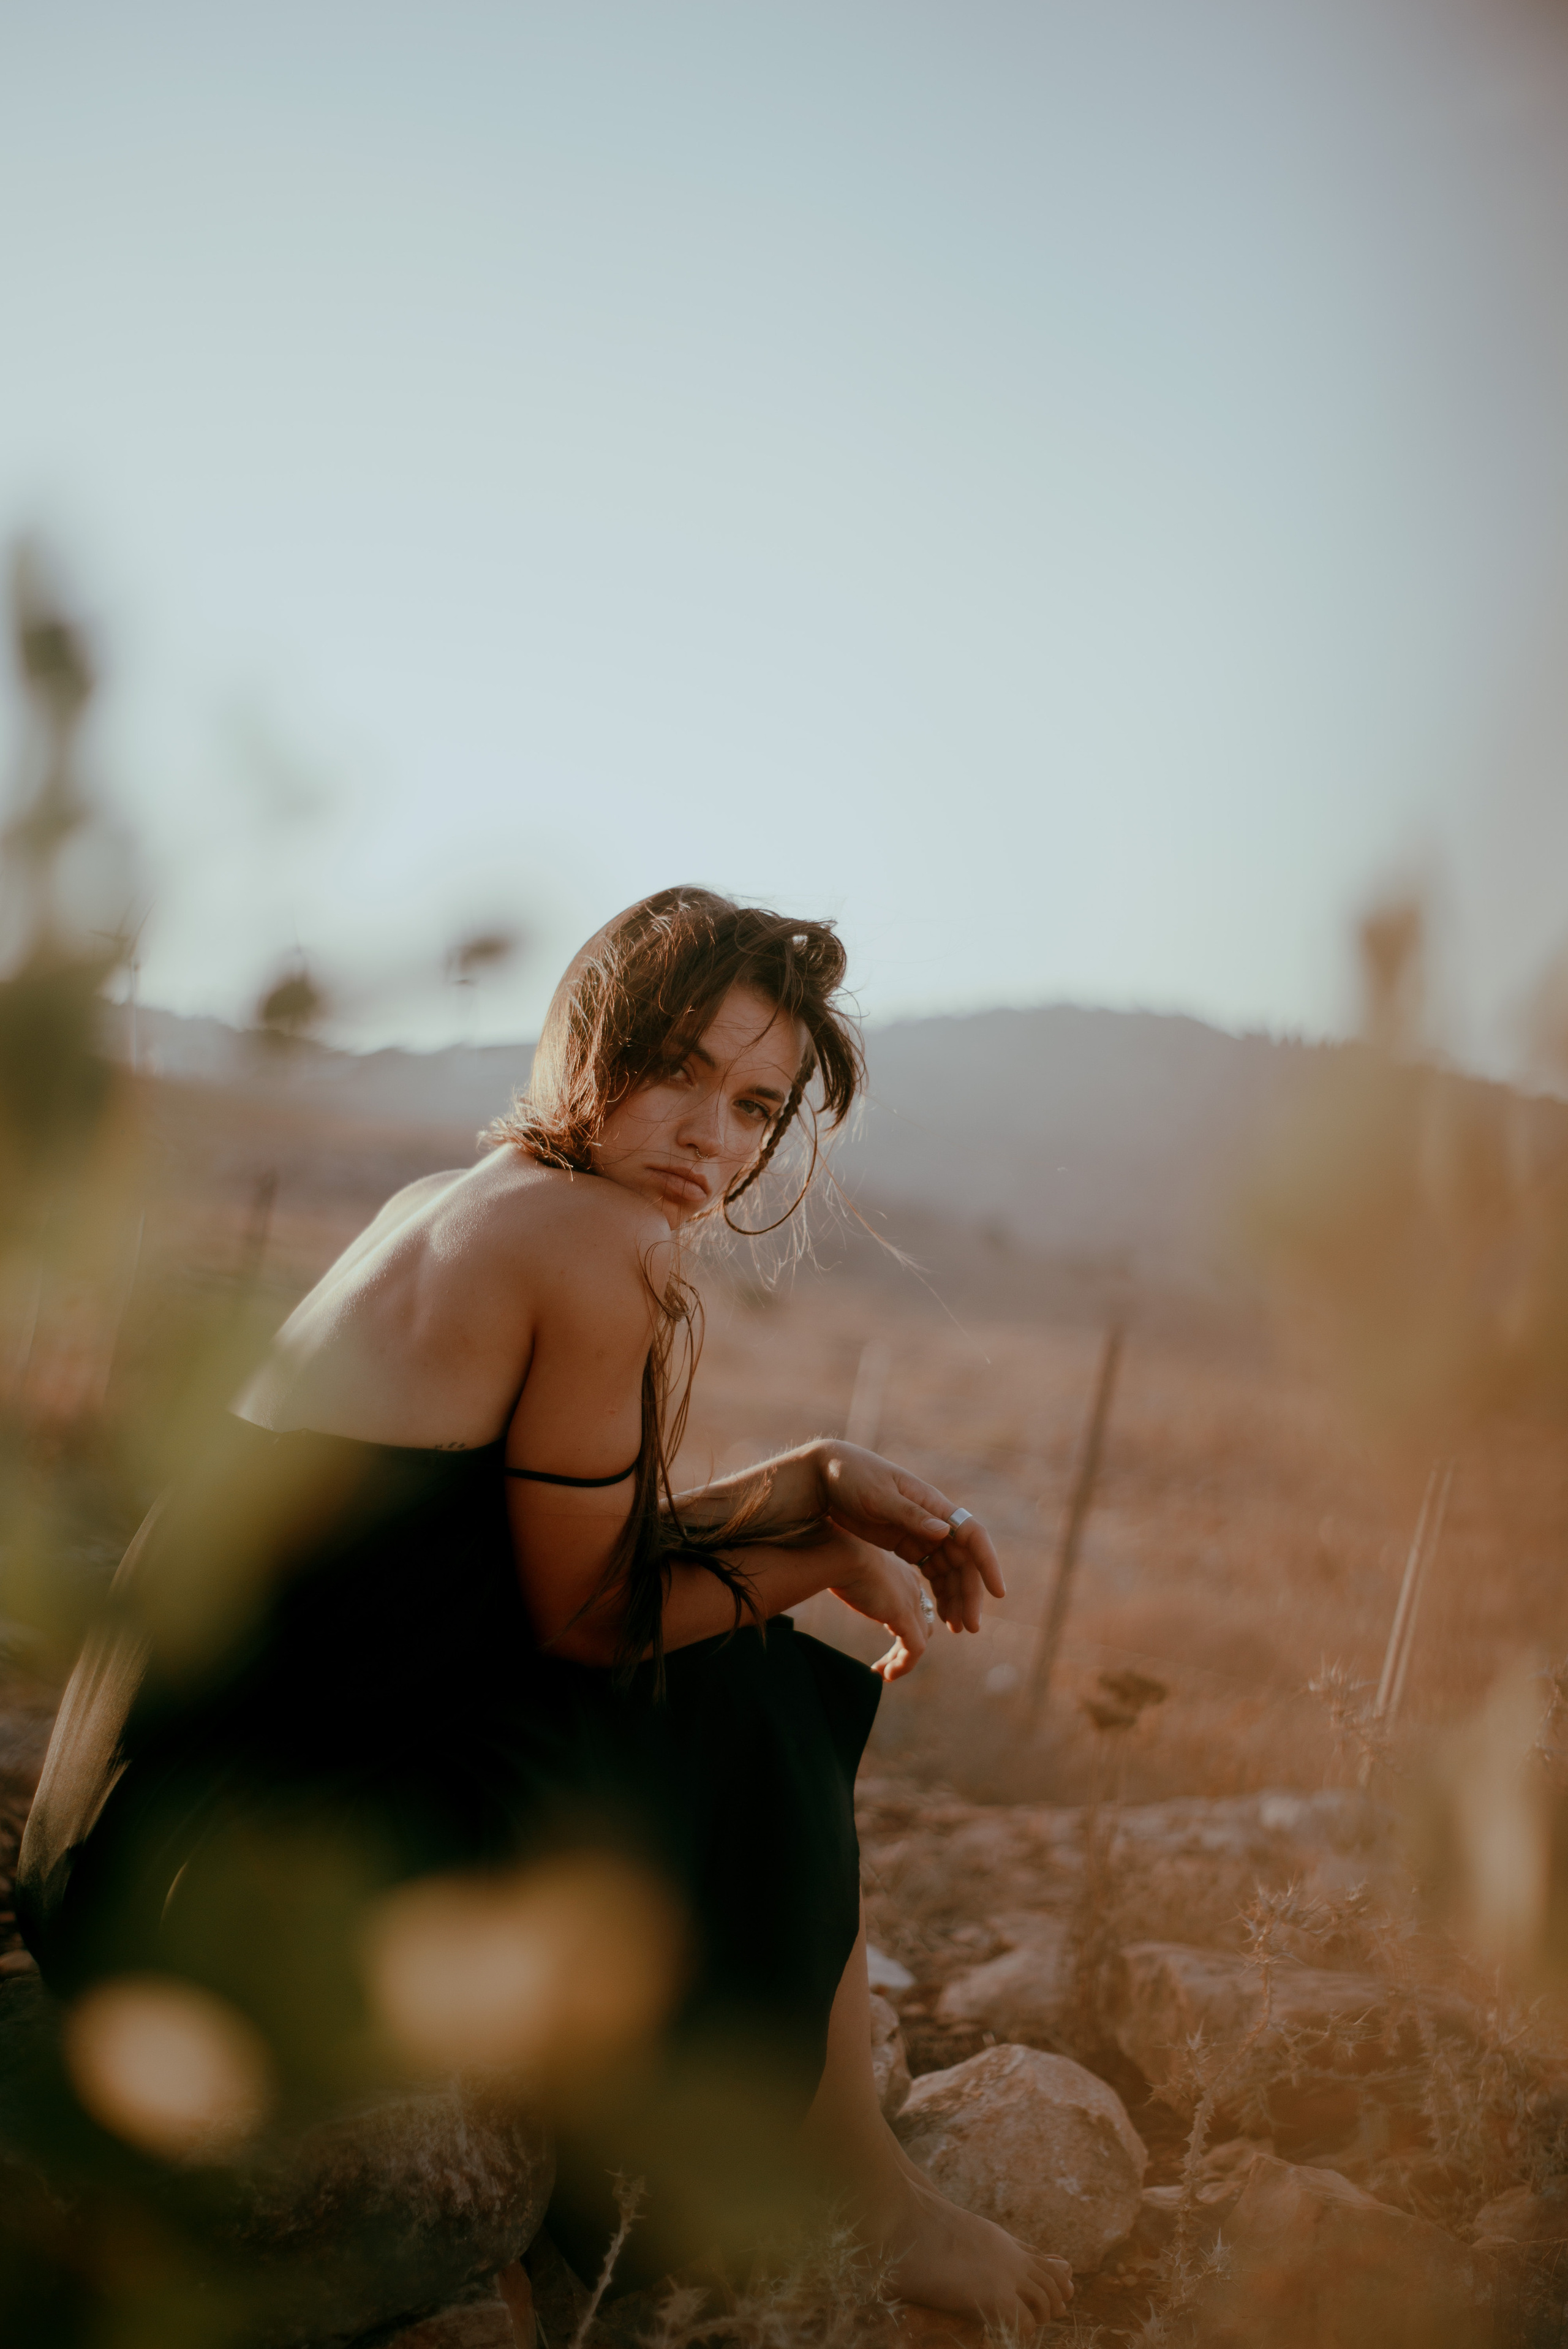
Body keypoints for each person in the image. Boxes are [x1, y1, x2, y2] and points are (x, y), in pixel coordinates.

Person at [18, 887, 1071, 2333]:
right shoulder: (596, 1241)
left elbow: (488, 1576)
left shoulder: (459, 1199)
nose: (713, 1134)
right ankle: (854, 2186)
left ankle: (726, 2160)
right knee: (747, 1682)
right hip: (226, 1884)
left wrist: (810, 1485)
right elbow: (591, 1619)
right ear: (587, 1039)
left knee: (725, 1665)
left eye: (759, 1105)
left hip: (127, 1850)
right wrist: (816, 1560)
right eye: (680, 1069)